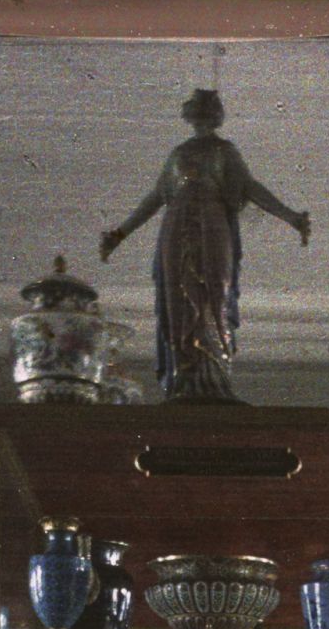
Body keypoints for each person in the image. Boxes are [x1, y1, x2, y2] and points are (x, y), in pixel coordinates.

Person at [100, 88, 310, 402]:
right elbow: (157, 197)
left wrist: (290, 216)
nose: (201, 118)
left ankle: (212, 377)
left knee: (214, 294)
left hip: (212, 227)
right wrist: (120, 234)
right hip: (176, 226)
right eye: (197, 111)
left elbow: (251, 188)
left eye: (206, 112)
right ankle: (184, 377)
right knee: (177, 297)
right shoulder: (179, 153)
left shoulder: (225, 152)